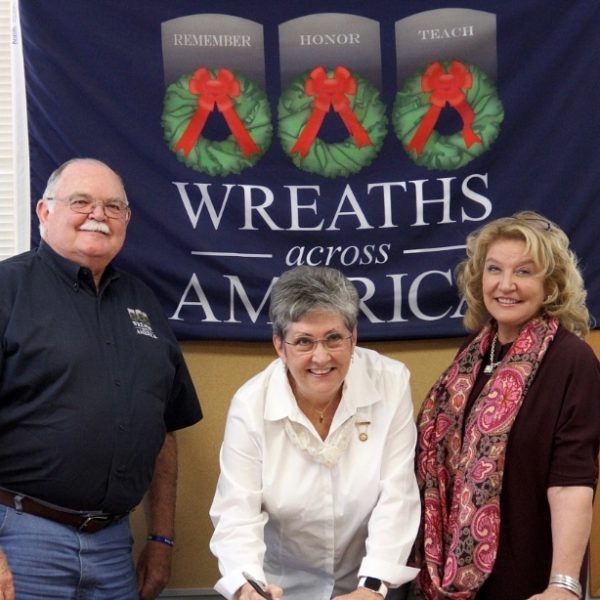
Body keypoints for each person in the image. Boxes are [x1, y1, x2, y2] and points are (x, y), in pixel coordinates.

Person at [0, 158, 202, 600]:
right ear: (43, 212)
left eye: (114, 207)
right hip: (20, 538)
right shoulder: (6, 290)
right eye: (81, 202)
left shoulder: (143, 302)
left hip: (113, 547)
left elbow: (163, 428)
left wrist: (162, 539)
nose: (98, 215)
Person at [410, 211, 600, 600]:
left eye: (525, 271)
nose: (506, 285)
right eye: (494, 269)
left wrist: (562, 585)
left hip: (532, 580)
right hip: (455, 581)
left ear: (551, 284)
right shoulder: (470, 357)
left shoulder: (571, 360)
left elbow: (572, 481)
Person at [209, 265, 420, 600]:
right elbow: (237, 511)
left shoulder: (391, 383)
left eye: (334, 338)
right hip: (282, 586)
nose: (321, 357)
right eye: (304, 341)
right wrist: (247, 586)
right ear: (280, 346)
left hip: (370, 580)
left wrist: (373, 586)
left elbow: (398, 495)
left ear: (354, 338)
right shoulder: (250, 405)